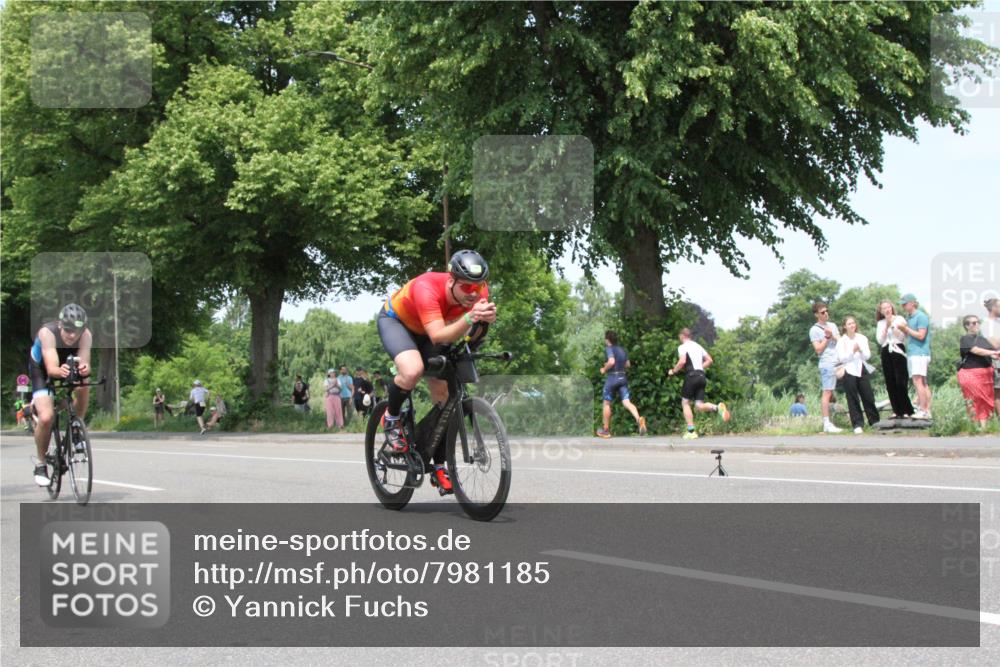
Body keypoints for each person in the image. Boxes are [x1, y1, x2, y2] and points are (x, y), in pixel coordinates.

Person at [376, 249, 496, 494]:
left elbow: (470, 337)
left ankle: (439, 463)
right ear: (451, 280)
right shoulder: (426, 287)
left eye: (478, 287)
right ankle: (391, 415)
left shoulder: (478, 290)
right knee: (412, 370)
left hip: (432, 329)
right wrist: (472, 318)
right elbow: (439, 335)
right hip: (398, 323)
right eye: (466, 288)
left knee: (448, 397)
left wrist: (482, 324)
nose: (473, 293)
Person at [29, 304, 92, 485]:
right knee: (47, 417)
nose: (72, 335)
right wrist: (59, 370)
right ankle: (41, 464)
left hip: (67, 362)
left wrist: (85, 368)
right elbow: (52, 369)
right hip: (42, 368)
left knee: (84, 384)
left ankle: (76, 428)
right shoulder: (47, 333)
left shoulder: (86, 335)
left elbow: (86, 363)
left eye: (77, 331)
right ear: (60, 325)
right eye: (68, 330)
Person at [666, 328, 729, 439]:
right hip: (701, 376)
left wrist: (673, 371)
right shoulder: (698, 346)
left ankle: (691, 432)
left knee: (685, 403)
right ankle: (717, 408)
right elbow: (709, 360)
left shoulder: (682, 347)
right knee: (699, 405)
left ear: (682, 336)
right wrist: (699, 367)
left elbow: (682, 361)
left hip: (691, 376)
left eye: (679, 336)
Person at [597, 330, 647, 438]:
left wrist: (604, 369)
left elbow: (611, 361)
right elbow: (627, 364)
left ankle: (605, 430)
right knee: (626, 402)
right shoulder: (623, 350)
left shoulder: (609, 349)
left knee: (606, 403)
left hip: (612, 378)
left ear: (607, 339)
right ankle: (639, 419)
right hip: (622, 377)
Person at [836, 316, 880, 434]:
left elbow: (867, 356)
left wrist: (860, 351)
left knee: (868, 396)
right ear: (845, 326)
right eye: (849, 324)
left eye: (853, 323)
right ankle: (857, 423)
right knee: (852, 398)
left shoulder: (862, 338)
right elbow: (841, 358)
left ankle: (874, 421)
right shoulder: (842, 341)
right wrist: (852, 351)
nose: (852, 325)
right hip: (849, 370)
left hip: (861, 368)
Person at [957, 314, 1000, 427]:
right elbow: (976, 351)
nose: (977, 325)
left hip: (986, 374)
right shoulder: (965, 338)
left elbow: (993, 354)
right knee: (974, 398)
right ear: (967, 326)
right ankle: (974, 426)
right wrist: (993, 353)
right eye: (973, 323)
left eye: (978, 322)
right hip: (970, 373)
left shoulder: (983, 339)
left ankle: (984, 427)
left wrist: (995, 355)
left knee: (986, 400)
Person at [874, 300, 915, 419]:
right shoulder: (880, 323)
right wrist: (886, 326)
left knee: (901, 381)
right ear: (881, 311)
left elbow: (903, 336)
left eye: (888, 307)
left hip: (898, 349)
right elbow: (880, 340)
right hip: (886, 350)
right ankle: (896, 410)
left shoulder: (900, 319)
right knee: (890, 382)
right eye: (884, 308)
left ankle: (907, 409)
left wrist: (894, 327)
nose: (887, 309)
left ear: (892, 308)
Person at [809, 301, 842, 433]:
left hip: (839, 361)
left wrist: (832, 335)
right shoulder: (814, 330)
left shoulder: (833, 325)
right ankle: (826, 423)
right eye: (822, 312)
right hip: (827, 362)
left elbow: (841, 341)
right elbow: (818, 350)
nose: (826, 313)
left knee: (853, 382)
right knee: (827, 392)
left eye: (827, 311)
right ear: (817, 314)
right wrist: (827, 338)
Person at [898, 294, 932, 419]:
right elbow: (910, 336)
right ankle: (927, 410)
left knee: (918, 382)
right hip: (913, 352)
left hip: (920, 353)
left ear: (912, 303)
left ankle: (923, 410)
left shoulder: (921, 316)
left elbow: (921, 335)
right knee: (922, 382)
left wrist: (905, 329)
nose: (903, 306)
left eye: (905, 303)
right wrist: (903, 330)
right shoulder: (909, 317)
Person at [982, 297, 1000, 418]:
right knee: (998, 391)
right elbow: (995, 344)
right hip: (997, 360)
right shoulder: (986, 324)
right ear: (993, 308)